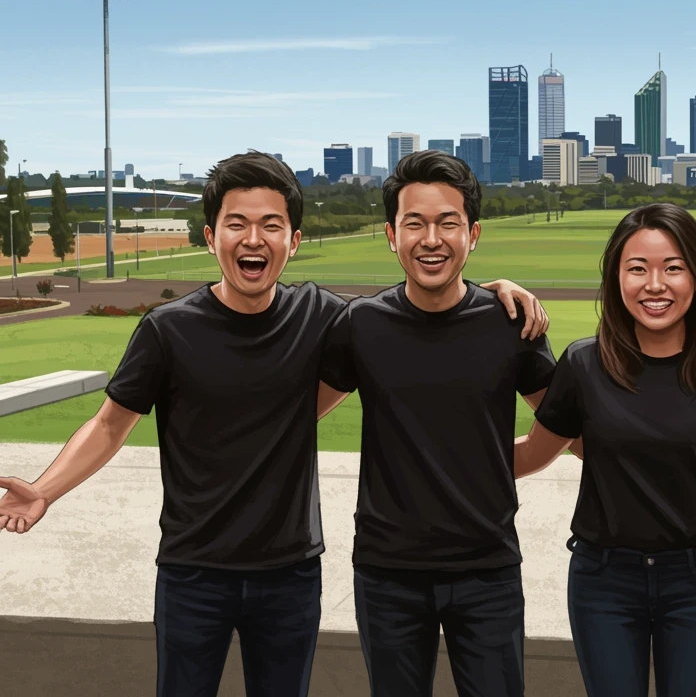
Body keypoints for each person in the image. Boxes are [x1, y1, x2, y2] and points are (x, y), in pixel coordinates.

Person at [0, 151, 546, 697]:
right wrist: (45, 490)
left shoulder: (327, 317)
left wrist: (496, 290)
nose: (254, 239)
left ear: (294, 240)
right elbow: (108, 426)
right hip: (193, 570)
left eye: (271, 225)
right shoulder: (168, 330)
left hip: (291, 573)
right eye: (237, 224)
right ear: (211, 237)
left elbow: (420, 309)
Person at [316, 150, 563, 697]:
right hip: (387, 574)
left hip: (488, 570)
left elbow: (563, 425)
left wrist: (491, 465)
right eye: (415, 224)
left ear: (473, 234)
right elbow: (297, 415)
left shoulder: (510, 322)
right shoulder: (360, 325)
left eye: (448, 223)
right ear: (391, 235)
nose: (431, 239)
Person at [514, 202, 696, 697]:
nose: (654, 285)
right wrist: (447, 460)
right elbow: (532, 453)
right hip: (603, 582)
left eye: (673, 268)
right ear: (616, 277)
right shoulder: (583, 364)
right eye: (637, 268)